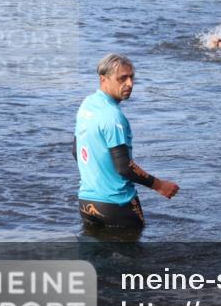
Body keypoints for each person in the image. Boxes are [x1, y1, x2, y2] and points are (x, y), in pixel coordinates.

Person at [73, 54, 179, 230]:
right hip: (117, 205)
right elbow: (124, 166)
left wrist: (98, 180)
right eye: (122, 78)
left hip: (87, 203)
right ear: (103, 79)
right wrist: (159, 185)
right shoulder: (113, 115)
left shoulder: (87, 105)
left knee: (96, 256)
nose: (129, 84)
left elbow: (76, 151)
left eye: (131, 77)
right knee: (133, 257)